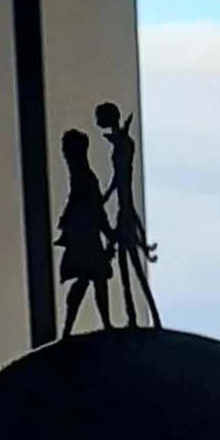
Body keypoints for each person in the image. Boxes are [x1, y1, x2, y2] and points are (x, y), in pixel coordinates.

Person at [95, 99, 157, 329]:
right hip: (123, 209)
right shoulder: (122, 142)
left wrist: (107, 195)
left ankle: (143, 317)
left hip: (125, 212)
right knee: (127, 270)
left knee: (133, 271)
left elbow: (121, 179)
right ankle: (133, 317)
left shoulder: (123, 143)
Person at [56, 130, 112, 335]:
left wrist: (108, 233)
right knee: (91, 280)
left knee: (92, 280)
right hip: (84, 239)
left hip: (86, 238)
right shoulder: (83, 179)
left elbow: (96, 209)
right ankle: (72, 327)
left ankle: (95, 324)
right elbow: (96, 210)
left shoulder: (85, 179)